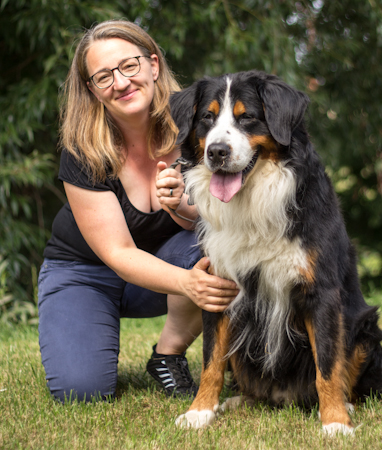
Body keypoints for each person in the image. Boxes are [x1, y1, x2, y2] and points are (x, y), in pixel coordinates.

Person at [37, 19, 239, 403]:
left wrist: (180, 204)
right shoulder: (82, 149)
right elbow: (118, 253)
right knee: (81, 392)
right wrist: (187, 285)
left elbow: (217, 221)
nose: (121, 82)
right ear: (93, 90)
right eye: (103, 76)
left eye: (129, 66)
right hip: (83, 273)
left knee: (216, 246)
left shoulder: (195, 127)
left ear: (153, 65)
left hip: (162, 264)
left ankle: (168, 353)